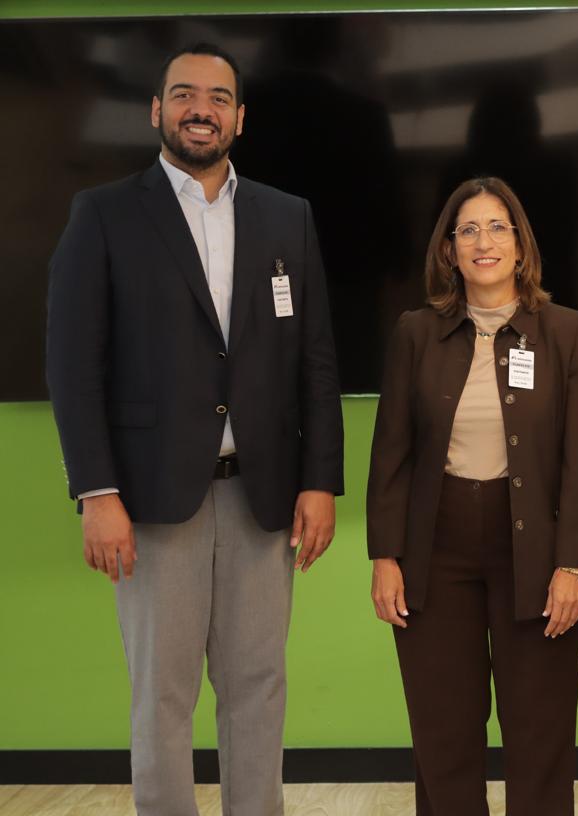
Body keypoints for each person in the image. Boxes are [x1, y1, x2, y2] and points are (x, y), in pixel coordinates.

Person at [46, 42, 344, 815]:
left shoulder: (286, 216)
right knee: (163, 695)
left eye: (217, 98)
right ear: (157, 110)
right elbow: (74, 368)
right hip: (149, 503)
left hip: (262, 496)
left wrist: (320, 481)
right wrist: (96, 492)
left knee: (258, 687)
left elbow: (315, 361)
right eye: (183, 94)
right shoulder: (105, 214)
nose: (200, 110)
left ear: (240, 118)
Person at [366, 177, 578, 816]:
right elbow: (391, 454)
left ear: (521, 246)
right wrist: (385, 556)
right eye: (467, 230)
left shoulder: (570, 332)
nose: (483, 242)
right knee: (443, 735)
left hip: (538, 554)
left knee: (540, 734)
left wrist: (573, 566)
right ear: (449, 250)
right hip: (433, 553)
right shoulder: (415, 333)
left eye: (498, 227)